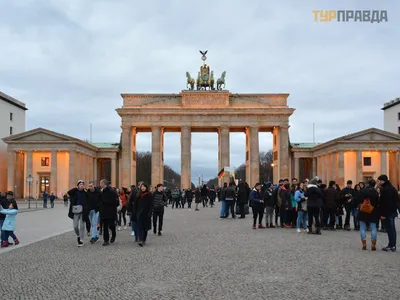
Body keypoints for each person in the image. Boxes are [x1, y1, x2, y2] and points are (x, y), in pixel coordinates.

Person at [377, 175, 398, 252]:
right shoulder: (392, 188)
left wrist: (383, 214)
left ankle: (391, 245)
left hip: (387, 212)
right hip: (392, 211)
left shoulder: (385, 190)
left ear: (383, 181)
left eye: (379, 181)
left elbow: (384, 203)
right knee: (392, 229)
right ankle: (392, 245)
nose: (378, 182)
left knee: (390, 229)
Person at [357, 179, 379, 251]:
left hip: (362, 211)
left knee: (362, 228)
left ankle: (364, 244)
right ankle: (373, 245)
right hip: (372, 211)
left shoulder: (362, 191)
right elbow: (377, 202)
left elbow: (358, 200)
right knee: (373, 228)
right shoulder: (375, 192)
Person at [67, 180, 89, 247]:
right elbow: (69, 192)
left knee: (82, 226)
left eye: (82, 184)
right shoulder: (75, 192)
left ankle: (81, 240)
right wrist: (76, 188)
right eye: (80, 184)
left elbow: (88, 200)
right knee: (75, 226)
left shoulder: (85, 193)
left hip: (83, 211)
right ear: (78, 185)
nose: (82, 185)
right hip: (75, 211)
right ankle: (78, 235)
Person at [99, 179, 119, 246]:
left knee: (111, 225)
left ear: (104, 184)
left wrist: (105, 202)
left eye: (100, 183)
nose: (100, 185)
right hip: (104, 211)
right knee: (105, 227)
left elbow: (116, 202)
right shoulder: (102, 191)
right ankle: (106, 240)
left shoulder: (112, 191)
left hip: (111, 211)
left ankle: (113, 234)